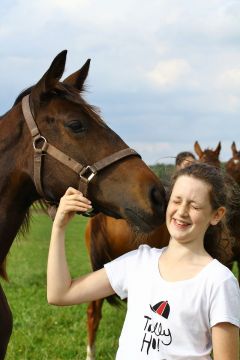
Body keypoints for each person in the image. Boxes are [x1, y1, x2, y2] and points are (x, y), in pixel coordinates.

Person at [47, 163, 240, 360]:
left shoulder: (219, 281)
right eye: (177, 201)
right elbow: (60, 293)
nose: (181, 211)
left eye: (195, 206)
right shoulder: (138, 262)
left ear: (216, 215)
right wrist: (59, 228)